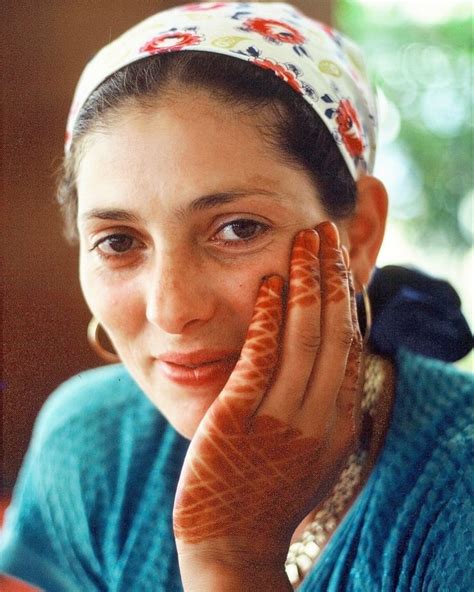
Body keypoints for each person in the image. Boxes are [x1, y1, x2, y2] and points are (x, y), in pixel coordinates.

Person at [1, 2, 472, 591]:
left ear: (360, 234)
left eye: (239, 229)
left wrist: (232, 555)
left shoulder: (456, 490)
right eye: (119, 241)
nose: (171, 310)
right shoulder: (90, 447)